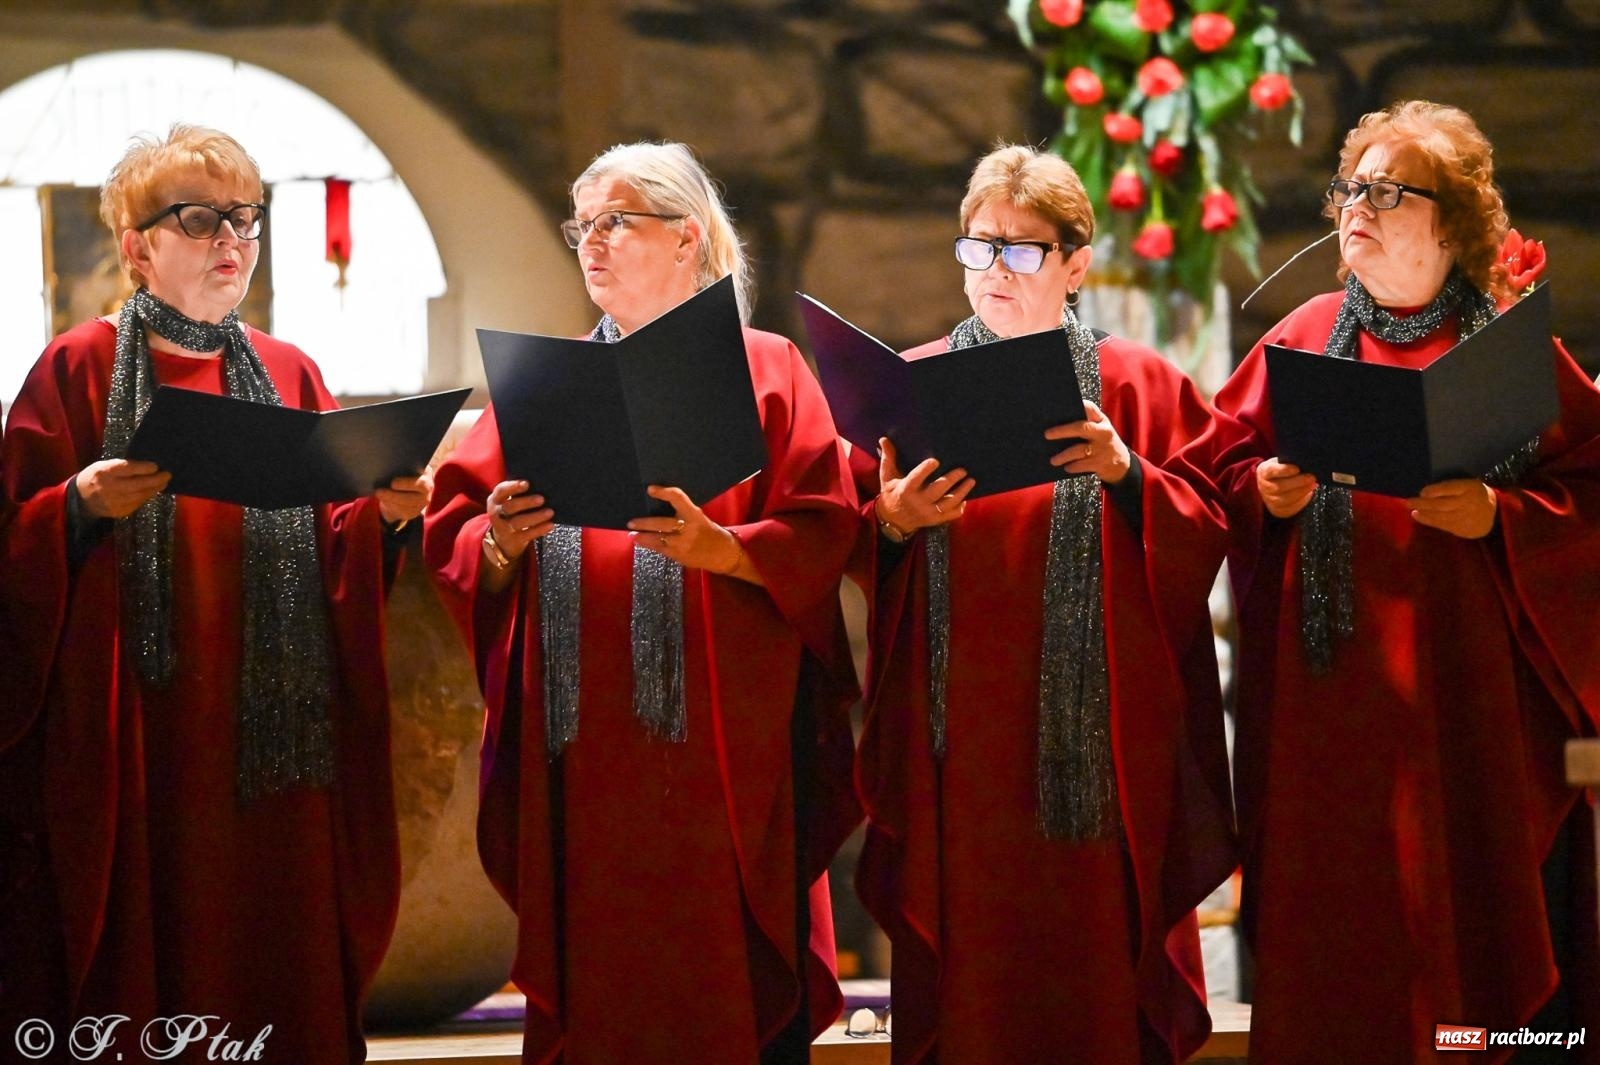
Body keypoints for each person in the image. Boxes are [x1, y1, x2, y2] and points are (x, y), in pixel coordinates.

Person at [423, 141, 860, 1065]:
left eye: (616, 221)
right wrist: (500, 536)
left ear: (687, 239)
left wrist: (727, 549)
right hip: (584, 752)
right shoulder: (548, 381)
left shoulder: (768, 367)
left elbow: (826, 525)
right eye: (582, 225)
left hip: (722, 750)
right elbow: (456, 530)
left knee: (722, 987)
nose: (592, 242)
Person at [0, 124, 428, 1063]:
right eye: (201, 218)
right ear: (138, 246)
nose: (232, 238)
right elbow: (11, 538)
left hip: (269, 734)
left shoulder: (290, 373)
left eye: (248, 218)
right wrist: (74, 504)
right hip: (141, 737)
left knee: (268, 960)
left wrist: (389, 515)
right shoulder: (76, 368)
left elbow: (334, 549)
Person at [1185, 100, 1600, 1062]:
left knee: (1458, 954)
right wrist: (1266, 492)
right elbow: (1210, 479)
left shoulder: (1506, 349)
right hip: (1329, 712)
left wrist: (1504, 515)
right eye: (1349, 187)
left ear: (1450, 221)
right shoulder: (1302, 332)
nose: (1356, 206)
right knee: (1338, 951)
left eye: (1386, 189)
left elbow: (1589, 498)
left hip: (1464, 709)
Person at [850, 144, 1234, 1064]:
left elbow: (1216, 519)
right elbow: (852, 532)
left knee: (1093, 984)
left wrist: (1130, 472)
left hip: (1095, 749)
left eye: (1021, 252)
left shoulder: (1138, 383)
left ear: (1074, 263)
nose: (994, 272)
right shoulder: (912, 382)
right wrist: (892, 521)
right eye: (978, 248)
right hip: (964, 748)